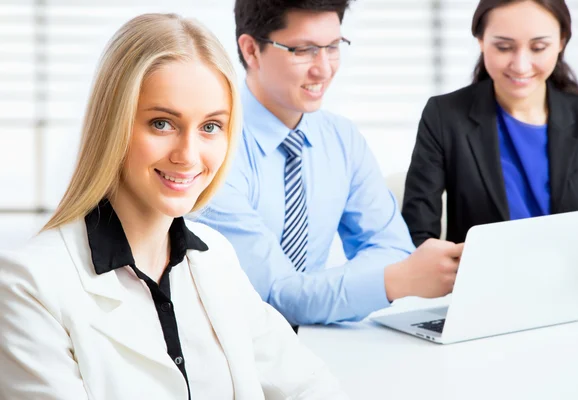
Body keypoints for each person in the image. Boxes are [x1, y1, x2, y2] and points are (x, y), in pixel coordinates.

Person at [0, 13, 348, 399]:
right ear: (114, 124)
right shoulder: (27, 286)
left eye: (211, 127)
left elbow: (311, 386)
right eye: (162, 124)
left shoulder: (215, 257)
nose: (189, 155)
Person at [196, 0, 464, 327]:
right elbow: (275, 296)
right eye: (304, 50)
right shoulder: (212, 148)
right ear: (251, 50)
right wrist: (392, 281)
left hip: (322, 336)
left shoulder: (341, 138)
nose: (324, 69)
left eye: (333, 47)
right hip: (230, 345)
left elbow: (391, 247)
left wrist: (321, 296)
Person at [402, 0, 578, 247]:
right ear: (481, 41)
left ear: (561, 42)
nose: (520, 65)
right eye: (504, 47)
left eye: (538, 47)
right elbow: (417, 235)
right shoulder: (444, 116)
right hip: (480, 281)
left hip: (575, 278)